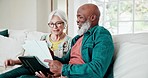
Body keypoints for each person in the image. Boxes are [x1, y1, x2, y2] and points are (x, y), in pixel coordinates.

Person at [36, 3, 114, 78]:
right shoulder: (77, 38)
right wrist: (52, 57)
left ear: (92, 18)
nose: (77, 20)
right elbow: (66, 61)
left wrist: (63, 69)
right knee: (25, 72)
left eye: (80, 17)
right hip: (66, 75)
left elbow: (97, 70)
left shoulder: (100, 34)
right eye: (77, 17)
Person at [0, 10, 72, 78]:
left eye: (58, 23)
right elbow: (34, 58)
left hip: (52, 73)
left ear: (65, 23)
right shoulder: (44, 38)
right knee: (23, 69)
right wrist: (14, 62)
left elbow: (69, 67)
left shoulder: (70, 42)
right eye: (52, 24)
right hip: (37, 69)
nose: (54, 27)